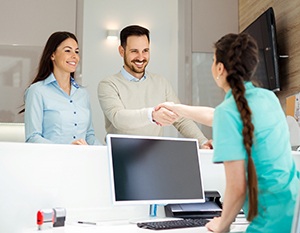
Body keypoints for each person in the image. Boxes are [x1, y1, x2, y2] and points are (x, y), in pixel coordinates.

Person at [156, 33, 299, 232]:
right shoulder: (268, 98)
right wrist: (177, 108)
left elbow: (237, 187)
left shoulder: (229, 111)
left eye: (214, 60)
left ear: (220, 68)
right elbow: (216, 115)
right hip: (294, 210)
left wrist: (222, 224)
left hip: (271, 221)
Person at [97, 25, 212, 149]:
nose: (141, 57)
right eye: (134, 51)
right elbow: (118, 118)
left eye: (145, 50)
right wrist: (152, 115)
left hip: (153, 155)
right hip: (120, 155)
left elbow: (181, 119)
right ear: (121, 51)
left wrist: (202, 142)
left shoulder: (161, 83)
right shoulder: (108, 84)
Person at [21, 31, 100, 145]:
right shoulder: (37, 91)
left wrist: (105, 153)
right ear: (52, 55)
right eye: (68, 50)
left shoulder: (83, 94)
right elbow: (33, 137)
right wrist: (66, 149)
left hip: (82, 160)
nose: (75, 56)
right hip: (52, 161)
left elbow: (89, 135)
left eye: (76, 51)